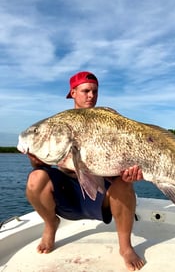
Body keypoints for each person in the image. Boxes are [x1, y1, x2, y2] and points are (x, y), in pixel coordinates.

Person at [26, 71, 145, 271]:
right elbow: (43, 166)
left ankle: (125, 247)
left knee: (125, 183)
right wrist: (36, 160)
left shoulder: (107, 122)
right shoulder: (59, 124)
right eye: (86, 91)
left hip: (99, 195)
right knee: (35, 178)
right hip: (69, 194)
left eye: (95, 91)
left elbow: (119, 160)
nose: (91, 95)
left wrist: (128, 173)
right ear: (73, 93)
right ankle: (50, 225)